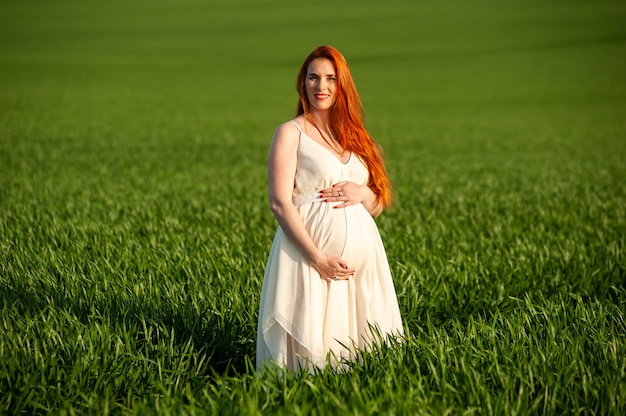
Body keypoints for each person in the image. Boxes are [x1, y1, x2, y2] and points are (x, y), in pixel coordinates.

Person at [256, 45, 404, 372]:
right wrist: (317, 258)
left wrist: (363, 193)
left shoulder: (357, 139)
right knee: (312, 351)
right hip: (309, 258)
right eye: (313, 77)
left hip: (362, 267)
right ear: (303, 84)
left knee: (360, 353)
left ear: (341, 86)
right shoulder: (289, 133)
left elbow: (377, 205)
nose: (320, 86)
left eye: (330, 78)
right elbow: (280, 202)